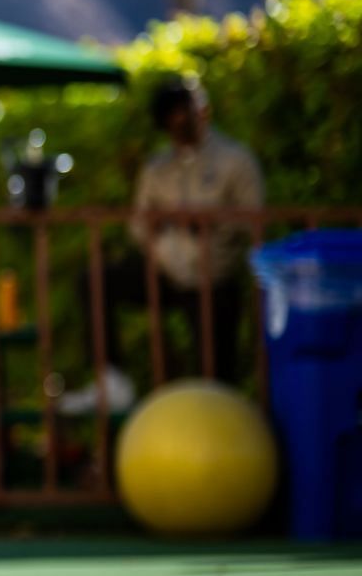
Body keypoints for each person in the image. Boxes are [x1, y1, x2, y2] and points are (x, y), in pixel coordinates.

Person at [63, 76, 265, 413]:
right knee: (97, 281)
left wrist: (207, 223)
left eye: (184, 112)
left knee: (215, 371)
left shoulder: (235, 161)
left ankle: (219, 427)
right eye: (171, 116)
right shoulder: (157, 168)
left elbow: (253, 220)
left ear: (203, 111)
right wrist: (162, 227)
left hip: (212, 276)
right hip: (165, 270)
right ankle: (111, 380)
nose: (179, 122)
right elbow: (138, 225)